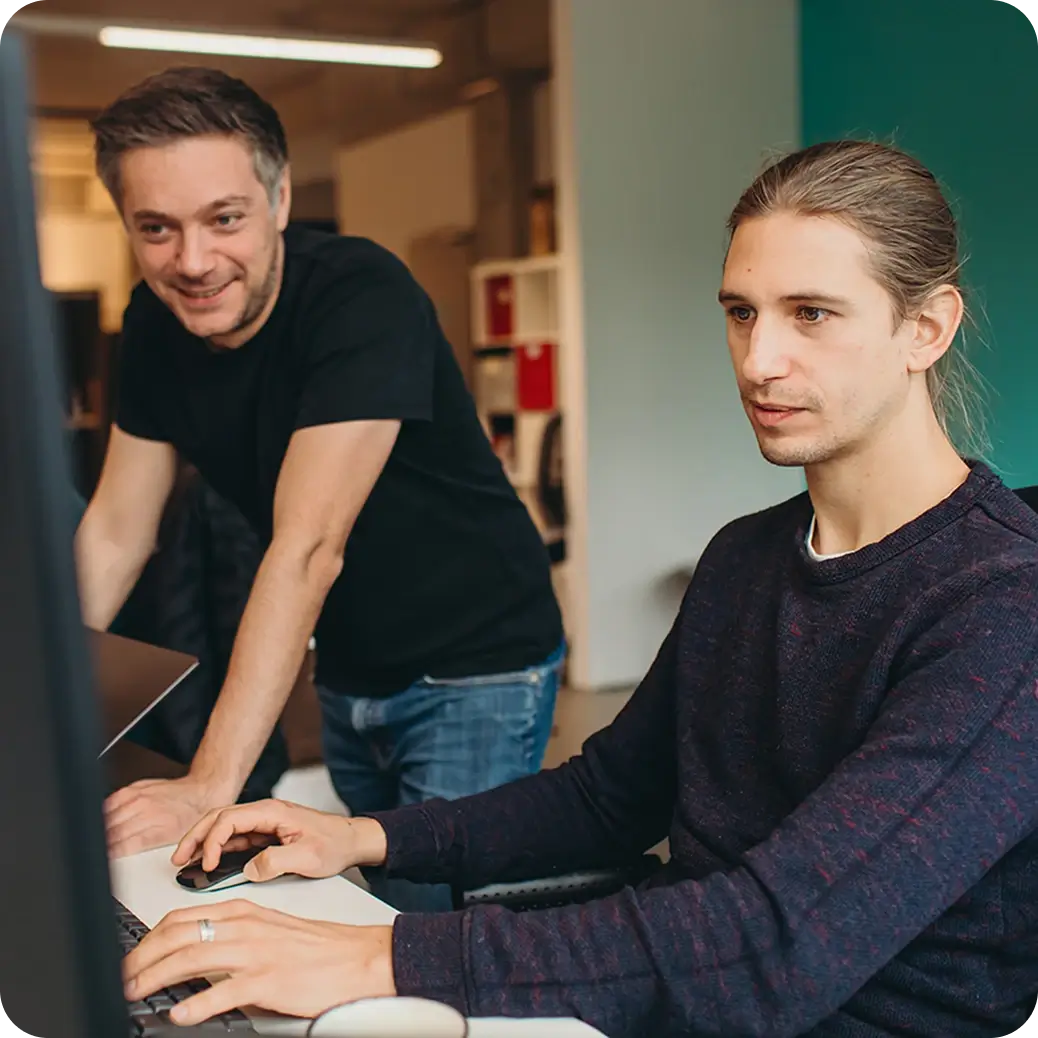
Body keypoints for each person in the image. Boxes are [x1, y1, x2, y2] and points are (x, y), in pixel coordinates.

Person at [122, 140, 1038, 1037]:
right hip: (671, 1002)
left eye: (812, 314)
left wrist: (380, 956)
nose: (759, 359)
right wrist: (363, 836)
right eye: (741, 312)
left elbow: (775, 947)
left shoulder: (1001, 607)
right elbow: (606, 798)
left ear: (927, 328)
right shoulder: (746, 558)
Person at [77, 66, 564, 912]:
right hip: (346, 664)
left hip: (474, 663)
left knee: (421, 924)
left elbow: (306, 549)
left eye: (224, 218)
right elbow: (117, 531)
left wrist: (208, 785)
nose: (193, 261)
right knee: (368, 899)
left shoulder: (360, 297)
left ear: (279, 199)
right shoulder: (155, 324)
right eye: (156, 228)